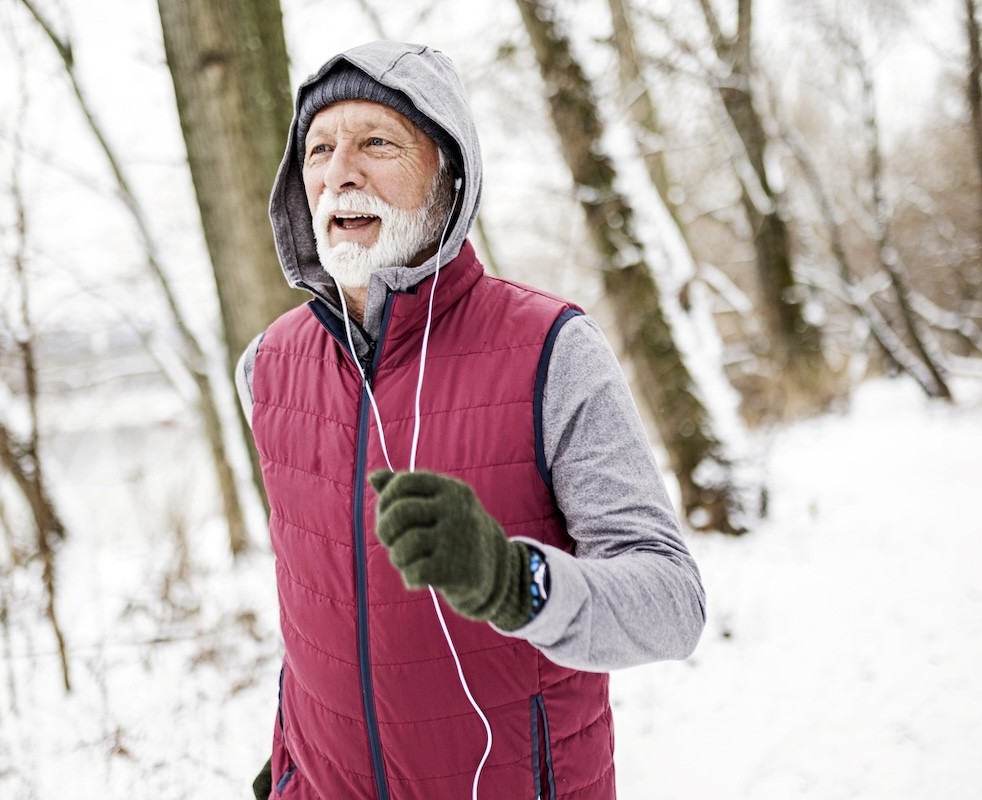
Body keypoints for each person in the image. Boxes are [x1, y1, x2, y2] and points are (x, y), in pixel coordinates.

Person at [236, 40, 705, 800]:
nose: (339, 170)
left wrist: (514, 581)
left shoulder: (551, 352)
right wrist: (289, 753)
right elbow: (316, 603)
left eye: (376, 142)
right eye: (318, 148)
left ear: (449, 177)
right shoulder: (267, 368)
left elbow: (673, 607)